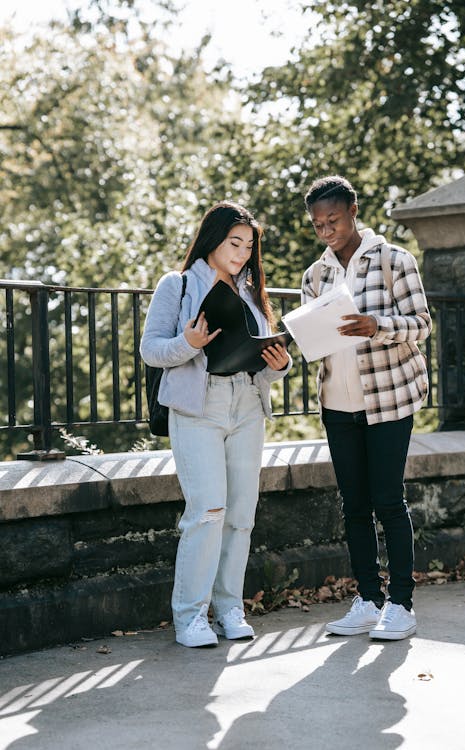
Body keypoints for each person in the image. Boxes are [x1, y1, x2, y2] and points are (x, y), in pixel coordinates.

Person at [140, 201, 291, 648]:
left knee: (240, 516)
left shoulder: (250, 291)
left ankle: (229, 609)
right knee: (207, 511)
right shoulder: (179, 284)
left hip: (246, 404)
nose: (243, 253)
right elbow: (151, 350)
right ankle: (190, 617)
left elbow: (261, 360)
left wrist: (278, 365)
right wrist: (188, 343)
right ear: (213, 239)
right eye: (234, 243)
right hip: (198, 407)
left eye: (249, 245)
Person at [301, 175, 431, 640]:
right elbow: (314, 340)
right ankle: (368, 599)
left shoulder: (395, 261)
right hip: (339, 403)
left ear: (353, 210)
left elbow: (420, 326)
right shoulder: (314, 276)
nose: (326, 231)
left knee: (388, 502)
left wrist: (377, 325)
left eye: (333, 220)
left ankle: (401, 604)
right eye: (317, 224)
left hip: (389, 400)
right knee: (353, 505)